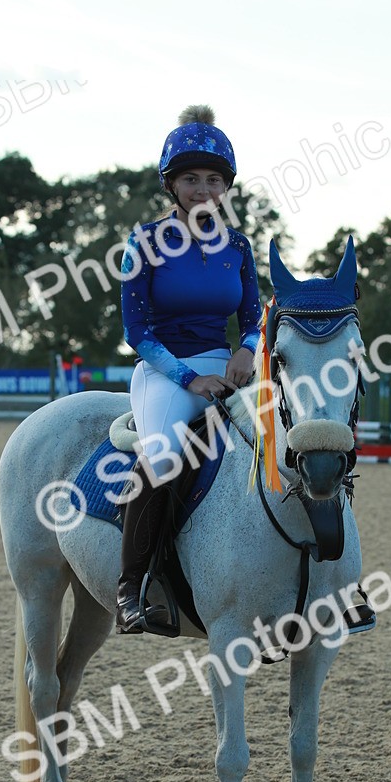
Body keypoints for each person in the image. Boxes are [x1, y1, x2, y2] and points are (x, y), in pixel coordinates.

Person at [116, 104, 262, 633]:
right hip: (165, 372)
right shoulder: (144, 245)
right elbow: (138, 335)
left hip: (229, 370)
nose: (204, 188)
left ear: (226, 187)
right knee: (165, 454)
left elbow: (253, 315)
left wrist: (246, 348)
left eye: (214, 179)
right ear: (172, 185)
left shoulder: (239, 247)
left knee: (299, 431)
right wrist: (189, 378)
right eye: (192, 178)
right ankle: (131, 588)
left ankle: (331, 577)